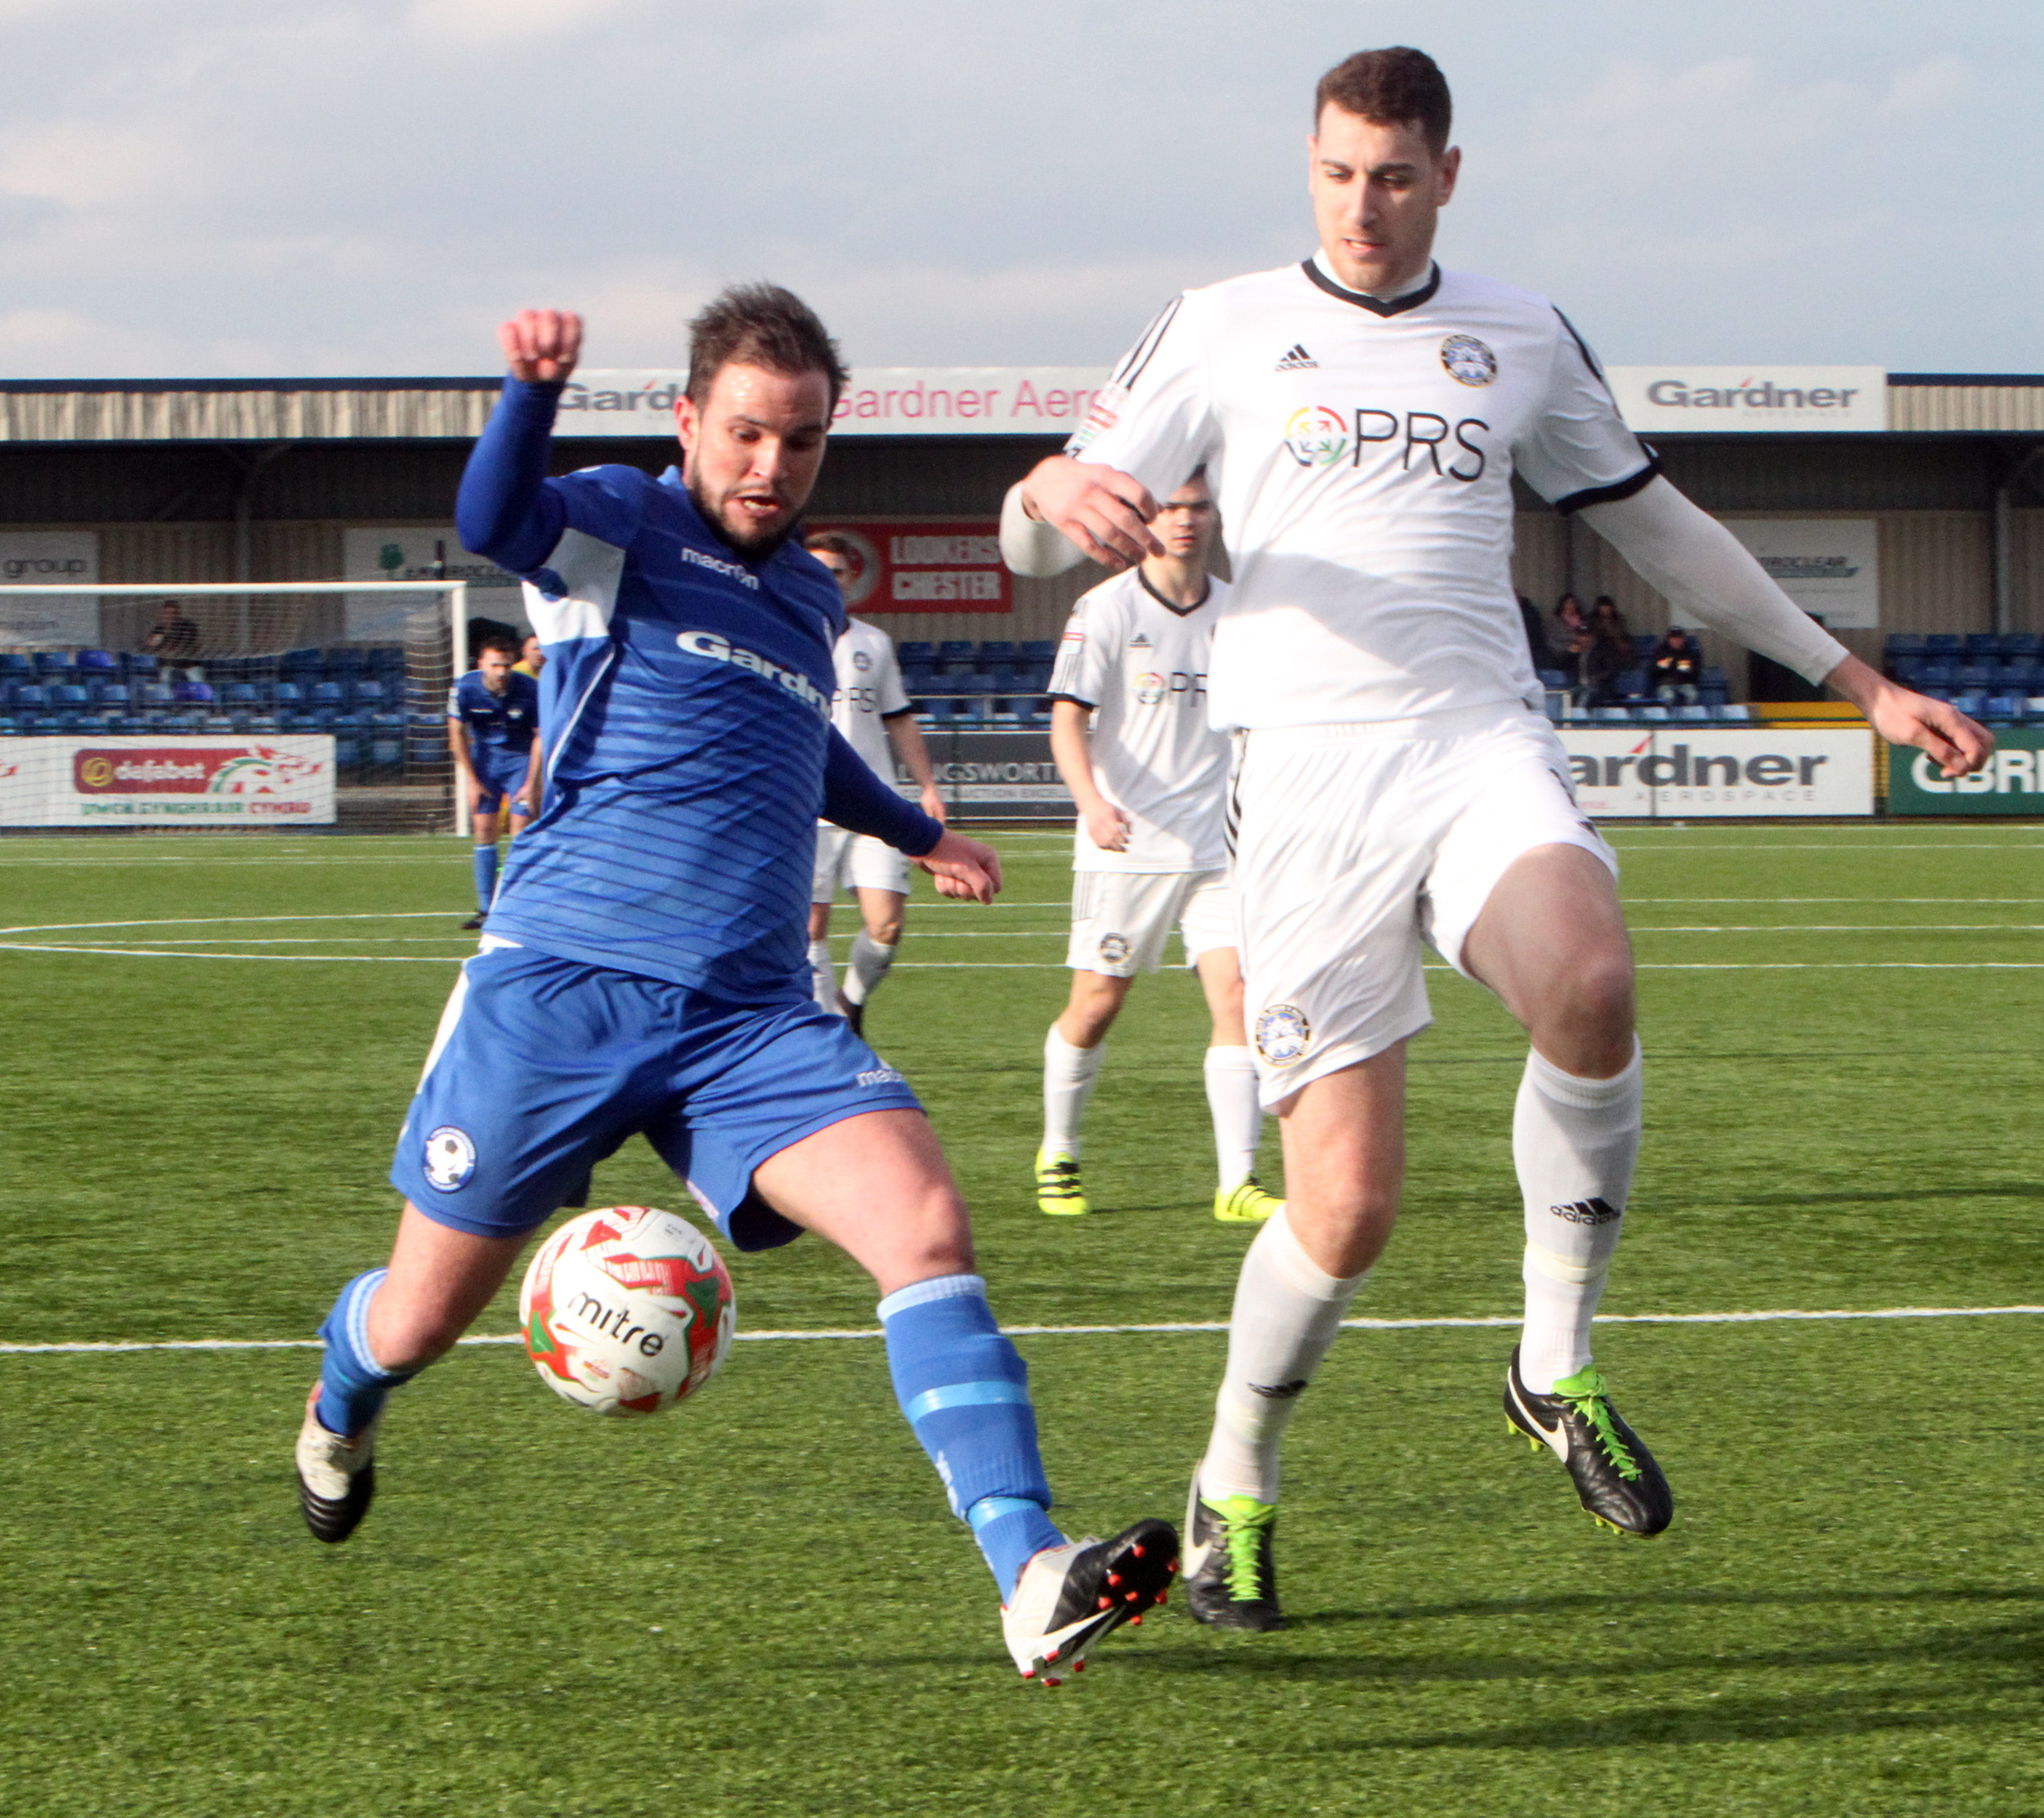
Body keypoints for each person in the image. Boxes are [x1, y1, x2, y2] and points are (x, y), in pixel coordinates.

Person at [1001, 45, 1990, 1631]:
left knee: (1588, 978)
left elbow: (1655, 524)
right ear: (1305, 167)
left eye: (1392, 175)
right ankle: (1233, 1479)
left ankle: (1551, 1362)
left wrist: (1853, 677)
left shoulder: (1517, 332)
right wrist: (1051, 488)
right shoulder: (1219, 322)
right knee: (1346, 1211)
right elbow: (1030, 521)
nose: (1362, 205)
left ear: (1444, 175)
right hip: (1303, 787)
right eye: (1335, 173)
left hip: (1474, 745)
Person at [292, 288, 1177, 1686]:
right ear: (692, 422)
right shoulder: (616, 527)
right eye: (749, 433)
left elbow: (794, 741)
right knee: (414, 1321)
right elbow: (487, 517)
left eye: (804, 441)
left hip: (751, 1013)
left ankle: (1029, 1569)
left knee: (926, 1222)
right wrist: (527, 396)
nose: (772, 466)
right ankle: (341, 1402)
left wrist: (915, 828)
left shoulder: (811, 595)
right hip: (563, 987)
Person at [1037, 471, 1279, 1226]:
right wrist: (1092, 806)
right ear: (1147, 518)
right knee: (1097, 1003)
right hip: (1130, 842)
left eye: (1198, 508)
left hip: (1221, 845)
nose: (1184, 521)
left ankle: (1237, 1181)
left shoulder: (1243, 609)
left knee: (1238, 998)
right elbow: (1066, 722)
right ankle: (1059, 1147)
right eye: (1169, 508)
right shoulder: (1104, 608)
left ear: (1216, 517)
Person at [803, 531, 948, 1037]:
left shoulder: (874, 643)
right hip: (807, 806)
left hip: (875, 804)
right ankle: (829, 1032)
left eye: (837, 572)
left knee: (886, 924)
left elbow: (900, 719)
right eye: (816, 569)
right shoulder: (784, 635)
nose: (828, 580)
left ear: (851, 578)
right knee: (810, 929)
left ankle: (851, 1004)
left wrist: (928, 786)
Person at [446, 633, 542, 929]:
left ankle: (516, 906)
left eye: (506, 665)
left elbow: (541, 737)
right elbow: (456, 735)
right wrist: (471, 781)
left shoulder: (529, 688)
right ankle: (486, 908)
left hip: (521, 760)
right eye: (495, 665)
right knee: (483, 829)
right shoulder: (464, 688)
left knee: (520, 831)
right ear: (482, 664)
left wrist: (532, 782)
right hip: (485, 759)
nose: (501, 672)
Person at [1587, 593, 1634, 705]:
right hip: (1600, 655)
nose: (1605, 610)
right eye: (1603, 607)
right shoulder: (1592, 621)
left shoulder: (1618, 620)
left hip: (1618, 656)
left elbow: (1623, 636)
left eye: (1608, 607)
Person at [1652, 625, 1703, 705]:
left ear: (1683, 639)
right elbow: (1652, 672)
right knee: (1668, 696)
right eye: (1673, 638)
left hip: (1685, 684)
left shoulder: (1690, 653)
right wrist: (1661, 667)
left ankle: (1688, 715)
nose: (1676, 640)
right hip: (1666, 684)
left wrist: (1688, 670)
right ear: (1668, 639)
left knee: (1692, 695)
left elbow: (1696, 674)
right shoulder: (1661, 652)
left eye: (1678, 638)